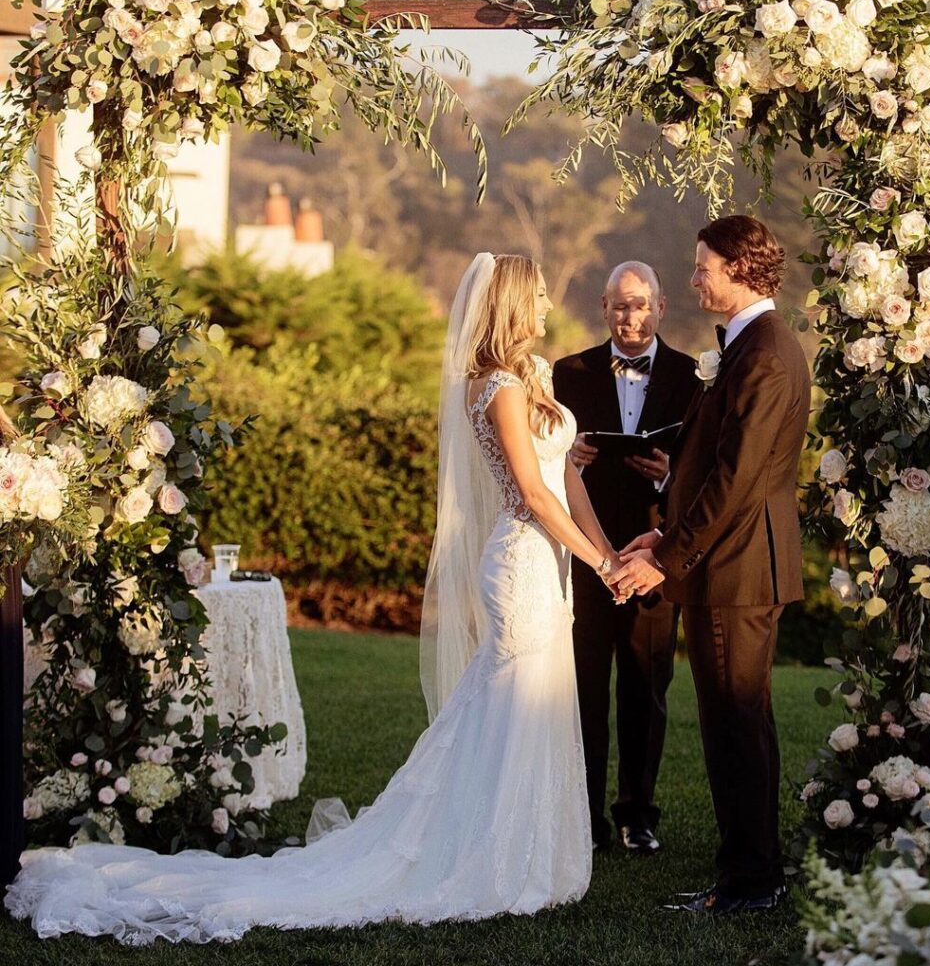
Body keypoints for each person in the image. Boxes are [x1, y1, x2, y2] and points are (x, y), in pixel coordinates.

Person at [5, 254, 626, 943]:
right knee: (507, 705)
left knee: (529, 700)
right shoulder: (498, 386)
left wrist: (609, 554)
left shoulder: (535, 379)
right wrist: (601, 563)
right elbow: (533, 493)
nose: (545, 309)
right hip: (519, 560)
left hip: (552, 563)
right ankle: (492, 858)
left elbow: (566, 476)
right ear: (511, 304)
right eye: (537, 298)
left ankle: (533, 851)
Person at [610, 216, 811, 915]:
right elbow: (712, 469)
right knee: (737, 725)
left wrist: (667, 557)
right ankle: (748, 877)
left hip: (738, 568)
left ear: (741, 269)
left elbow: (736, 479)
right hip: (729, 562)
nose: (694, 278)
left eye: (703, 267)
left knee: (736, 725)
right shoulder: (748, 346)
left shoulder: (765, 353)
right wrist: (659, 531)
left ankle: (751, 884)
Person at [553, 262, 698, 854]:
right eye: (618, 306)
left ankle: (637, 815)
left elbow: (709, 472)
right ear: (602, 307)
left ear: (661, 307)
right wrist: (572, 458)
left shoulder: (694, 377)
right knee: (582, 687)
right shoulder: (569, 372)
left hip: (653, 553)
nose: (629, 316)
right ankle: (582, 816)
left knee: (646, 684)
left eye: (640, 305)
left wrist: (670, 476)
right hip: (588, 556)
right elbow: (542, 462)